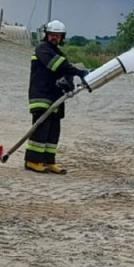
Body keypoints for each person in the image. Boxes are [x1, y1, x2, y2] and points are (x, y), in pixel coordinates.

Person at [25, 19, 88, 174]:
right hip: (42, 96)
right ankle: (32, 161)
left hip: (55, 97)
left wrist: (69, 83)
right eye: (52, 34)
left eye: (58, 35)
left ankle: (48, 161)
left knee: (53, 130)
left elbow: (66, 72)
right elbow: (58, 66)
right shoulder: (42, 49)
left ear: (62, 37)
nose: (55, 37)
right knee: (41, 129)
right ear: (47, 35)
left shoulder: (59, 53)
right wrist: (79, 72)